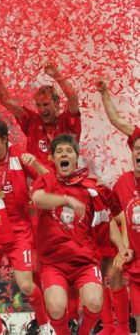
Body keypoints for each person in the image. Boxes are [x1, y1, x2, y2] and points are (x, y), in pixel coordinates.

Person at [31, 134, 126, 335]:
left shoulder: (90, 188)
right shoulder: (46, 180)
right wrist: (65, 200)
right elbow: (38, 199)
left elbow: (107, 220)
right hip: (53, 262)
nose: (64, 154)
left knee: (95, 302)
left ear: (76, 157)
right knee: (56, 307)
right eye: (59, 151)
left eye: (69, 151)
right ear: (52, 158)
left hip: (84, 261)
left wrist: (121, 247)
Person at [0, 119, 51, 330]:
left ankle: (45, 323)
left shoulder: (20, 157)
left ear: (5, 139)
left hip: (19, 229)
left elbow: (50, 179)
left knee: (27, 286)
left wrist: (35, 163)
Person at [0, 62, 81, 166]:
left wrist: (57, 76)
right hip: (36, 176)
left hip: (64, 175)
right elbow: (6, 101)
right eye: (38, 105)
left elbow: (72, 97)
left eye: (46, 104)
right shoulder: (31, 120)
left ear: (56, 103)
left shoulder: (67, 121)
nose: (42, 109)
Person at [111, 126, 140, 334]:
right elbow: (112, 216)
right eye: (137, 149)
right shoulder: (123, 183)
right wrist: (123, 247)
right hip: (137, 266)